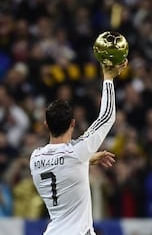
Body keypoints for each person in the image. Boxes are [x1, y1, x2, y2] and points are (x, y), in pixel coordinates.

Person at [30, 60, 128, 235]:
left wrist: (87, 160)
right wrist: (108, 78)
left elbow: (59, 165)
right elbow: (107, 117)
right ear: (73, 123)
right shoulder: (76, 153)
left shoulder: (35, 158)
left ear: (46, 124)